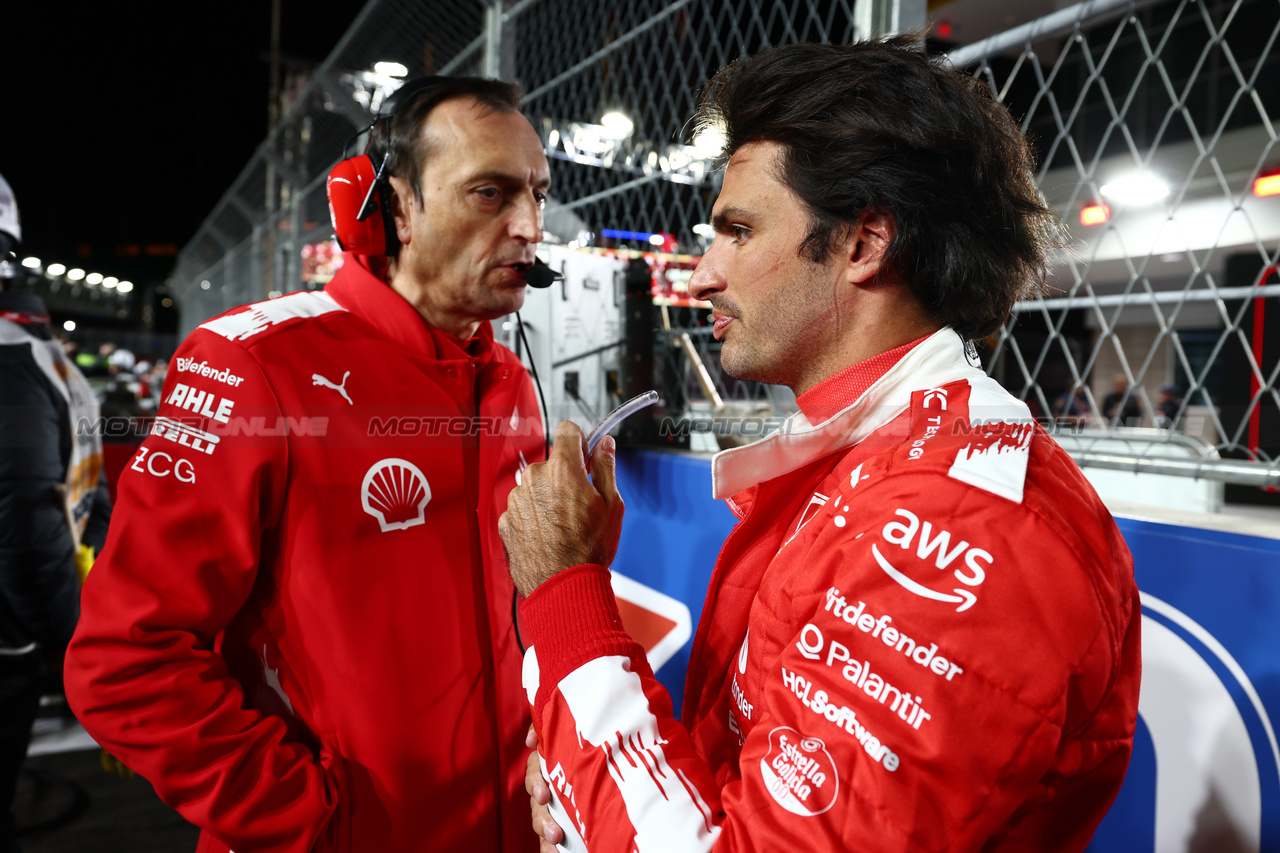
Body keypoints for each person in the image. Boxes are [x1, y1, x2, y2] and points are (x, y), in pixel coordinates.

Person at [500, 39, 1141, 852]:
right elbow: (748, 782)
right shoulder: (867, 455)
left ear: (864, 245)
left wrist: (563, 596)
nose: (701, 274)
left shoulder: (959, 523)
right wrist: (582, 769)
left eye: (737, 230)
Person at [64, 77, 549, 853]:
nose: (530, 226)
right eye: (490, 193)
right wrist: (312, 817)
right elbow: (126, 658)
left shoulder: (512, 384)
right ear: (387, 209)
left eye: (538, 193)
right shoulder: (251, 362)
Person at [0, 173, 111, 850]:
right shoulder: (33, 353)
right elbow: (50, 516)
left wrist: (79, 651)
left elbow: (28, 516)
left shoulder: (15, 358)